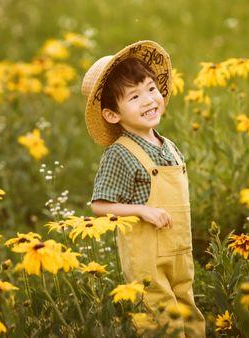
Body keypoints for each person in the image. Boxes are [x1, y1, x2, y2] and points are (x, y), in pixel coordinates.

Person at [81, 40, 205, 337]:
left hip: (179, 250)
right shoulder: (119, 153)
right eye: (134, 96)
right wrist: (142, 211)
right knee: (160, 318)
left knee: (187, 307)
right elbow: (100, 206)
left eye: (151, 89)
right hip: (146, 257)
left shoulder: (169, 146)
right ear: (113, 114)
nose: (149, 100)